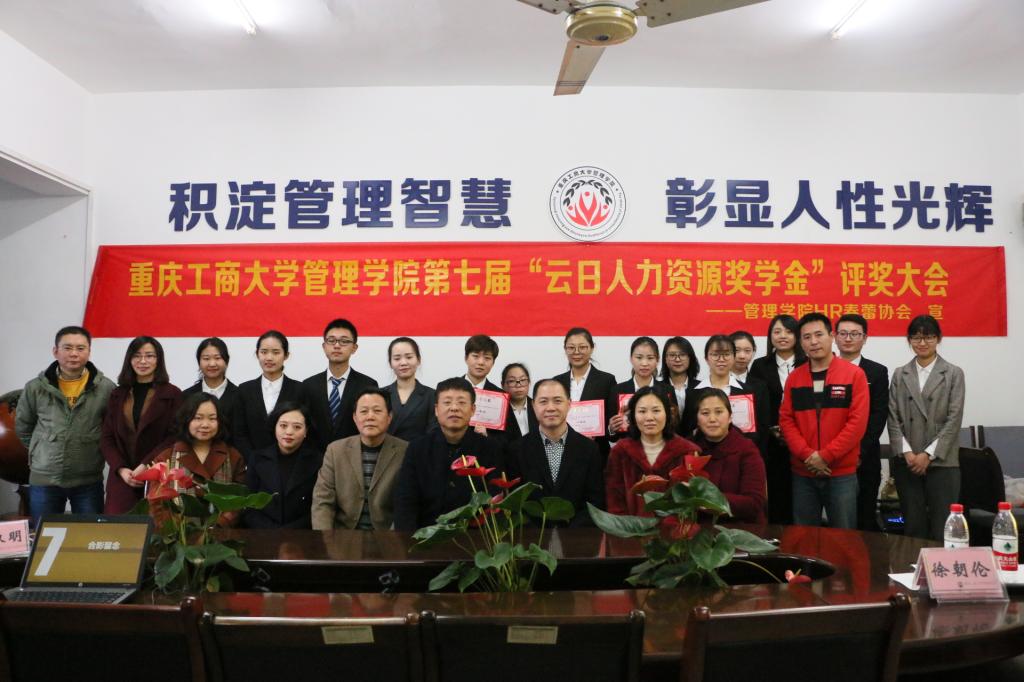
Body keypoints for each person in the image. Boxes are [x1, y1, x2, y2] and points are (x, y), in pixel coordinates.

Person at [16, 325, 116, 527]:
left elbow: (110, 429)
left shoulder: (105, 388)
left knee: (90, 536)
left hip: (88, 479)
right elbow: (23, 426)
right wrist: (41, 449)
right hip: (45, 478)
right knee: (44, 536)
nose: (74, 354)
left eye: (80, 348)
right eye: (67, 348)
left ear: (89, 351)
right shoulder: (36, 387)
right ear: (56, 351)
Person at [779, 313, 868, 529]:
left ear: (831, 336)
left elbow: (856, 424)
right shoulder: (794, 378)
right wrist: (808, 456)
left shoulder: (854, 375)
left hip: (841, 474)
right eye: (807, 337)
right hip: (803, 473)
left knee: (844, 537)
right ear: (801, 343)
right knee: (804, 537)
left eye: (819, 335)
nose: (814, 342)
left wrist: (826, 456)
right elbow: (786, 421)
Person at [887, 315, 965, 542]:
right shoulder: (900, 373)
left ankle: (942, 566)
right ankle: (912, 565)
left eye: (928, 337)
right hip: (908, 462)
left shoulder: (953, 373)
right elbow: (892, 417)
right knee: (913, 526)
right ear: (909, 340)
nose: (922, 343)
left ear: (938, 339)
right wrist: (908, 453)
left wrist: (928, 455)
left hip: (942, 461)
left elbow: (954, 419)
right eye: (916, 337)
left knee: (943, 527)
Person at [393, 378, 504, 531]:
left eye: (461, 402)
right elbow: (405, 501)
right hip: (426, 535)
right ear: (436, 410)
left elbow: (495, 501)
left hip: (475, 537)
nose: (454, 408)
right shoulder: (417, 448)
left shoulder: (490, 448)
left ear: (473, 410)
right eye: (447, 402)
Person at [100, 336, 183, 514]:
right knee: (119, 527)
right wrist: (121, 469)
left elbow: (174, 437)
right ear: (129, 360)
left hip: (157, 476)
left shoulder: (172, 394)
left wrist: (146, 465)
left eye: (149, 356)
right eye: (137, 356)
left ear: (158, 360)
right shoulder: (118, 394)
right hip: (123, 477)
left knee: (157, 526)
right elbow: (107, 437)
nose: (143, 361)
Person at [507, 379, 604, 526]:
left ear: (569, 404)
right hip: (532, 536)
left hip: (578, 534)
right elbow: (515, 502)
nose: (551, 408)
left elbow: (595, 501)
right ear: (533, 405)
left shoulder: (589, 449)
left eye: (558, 401)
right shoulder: (517, 449)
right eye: (543, 401)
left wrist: (570, 533)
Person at [312, 389, 408, 530]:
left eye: (377, 411)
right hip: (342, 536)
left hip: (387, 536)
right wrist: (325, 538)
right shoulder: (335, 451)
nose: (370, 417)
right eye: (364, 411)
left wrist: (392, 539)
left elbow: (407, 504)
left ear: (389, 417)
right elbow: (323, 501)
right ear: (355, 418)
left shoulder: (406, 452)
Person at [150, 393, 246, 526]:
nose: (205, 425)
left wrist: (219, 524)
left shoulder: (234, 457)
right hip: (178, 534)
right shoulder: (166, 457)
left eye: (212, 419)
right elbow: (156, 503)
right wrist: (176, 528)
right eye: (198, 418)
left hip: (220, 533)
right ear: (186, 420)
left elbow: (239, 501)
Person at [605, 387, 700, 516]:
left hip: (675, 527)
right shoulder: (620, 451)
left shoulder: (687, 451)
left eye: (656, 410)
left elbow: (690, 504)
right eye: (642, 411)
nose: (649, 417)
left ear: (667, 413)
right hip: (631, 527)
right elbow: (614, 500)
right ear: (633, 416)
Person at [834, 314, 890, 532]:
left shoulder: (877, 372)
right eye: (843, 333)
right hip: (831, 459)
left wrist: (858, 452)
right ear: (835, 337)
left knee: (864, 519)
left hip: (864, 458)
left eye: (855, 334)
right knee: (836, 523)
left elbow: (878, 415)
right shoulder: (823, 369)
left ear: (865, 338)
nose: (848, 338)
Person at [748, 314, 805, 525]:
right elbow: (758, 404)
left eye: (789, 331)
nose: (783, 336)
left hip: (803, 441)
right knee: (776, 496)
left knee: (802, 498)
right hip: (772, 442)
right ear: (770, 336)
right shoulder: (760, 366)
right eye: (777, 331)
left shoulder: (808, 363)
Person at [690, 389, 767, 524]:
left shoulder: (747, 450)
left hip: (741, 527)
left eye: (719, 412)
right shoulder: (689, 448)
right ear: (697, 419)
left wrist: (711, 500)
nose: (712, 419)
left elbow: (754, 503)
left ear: (730, 417)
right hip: (699, 528)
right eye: (705, 413)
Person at [302, 319, 379, 453]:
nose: (337, 345)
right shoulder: (308, 385)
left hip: (354, 456)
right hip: (315, 458)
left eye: (344, 341)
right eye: (331, 340)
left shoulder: (367, 385)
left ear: (354, 348)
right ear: (324, 346)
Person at [679, 335, 769, 448]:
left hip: (740, 452)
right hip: (704, 452)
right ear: (706, 358)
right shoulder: (694, 392)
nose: (721, 359)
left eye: (726, 354)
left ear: (733, 357)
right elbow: (688, 430)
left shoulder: (747, 392)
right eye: (715, 354)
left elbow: (760, 431)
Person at [244, 402, 322, 529]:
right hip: (262, 534)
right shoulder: (257, 459)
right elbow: (248, 504)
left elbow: (319, 507)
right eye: (283, 426)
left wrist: (288, 532)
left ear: (306, 431)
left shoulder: (318, 461)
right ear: (275, 426)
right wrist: (272, 532)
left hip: (302, 535)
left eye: (297, 427)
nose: (289, 432)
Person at [233, 330, 304, 461]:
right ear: (257, 354)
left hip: (291, 462)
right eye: (264, 352)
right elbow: (239, 434)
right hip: (253, 463)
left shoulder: (300, 389)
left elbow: (304, 430)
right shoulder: (244, 390)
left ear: (286, 355)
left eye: (276, 352)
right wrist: (254, 461)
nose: (269, 358)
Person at [553, 327, 617, 461]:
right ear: (565, 349)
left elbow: (611, 428)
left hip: (596, 454)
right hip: (563, 454)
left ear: (592, 348)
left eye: (582, 347)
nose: (576, 352)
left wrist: (611, 428)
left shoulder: (606, 381)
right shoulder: (557, 382)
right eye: (571, 347)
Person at [609, 337, 677, 440]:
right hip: (628, 448)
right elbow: (612, 438)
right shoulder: (617, 390)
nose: (644, 363)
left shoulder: (667, 390)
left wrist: (671, 421)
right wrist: (612, 429)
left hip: (659, 446)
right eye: (639, 357)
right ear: (631, 359)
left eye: (650, 358)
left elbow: (675, 430)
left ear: (657, 360)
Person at [383, 337, 437, 442]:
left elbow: (433, 433)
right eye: (397, 358)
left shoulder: (432, 395)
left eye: (409, 357)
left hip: (420, 451)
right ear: (390, 363)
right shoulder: (381, 395)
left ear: (418, 360)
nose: (403, 362)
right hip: (386, 451)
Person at [182, 337, 239, 425]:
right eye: (206, 358)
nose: (212, 364)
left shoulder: (239, 395)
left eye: (217, 358)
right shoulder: (187, 396)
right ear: (199, 362)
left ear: (226, 361)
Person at [660, 336, 701, 437]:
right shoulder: (657, 388)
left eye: (682, 355)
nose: (677, 359)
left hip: (697, 442)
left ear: (690, 358)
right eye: (672, 355)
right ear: (665, 359)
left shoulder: (702, 388)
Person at [501, 363, 537, 442]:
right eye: (512, 381)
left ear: (529, 382)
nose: (518, 385)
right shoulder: (498, 410)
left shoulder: (538, 407)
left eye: (523, 380)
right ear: (502, 385)